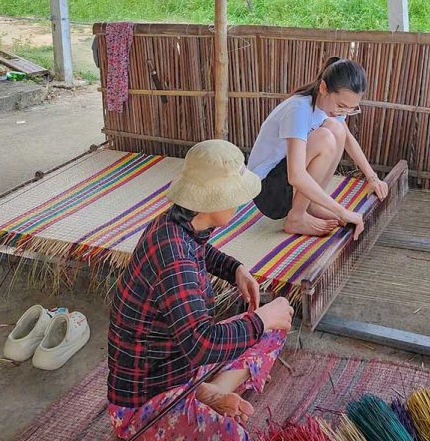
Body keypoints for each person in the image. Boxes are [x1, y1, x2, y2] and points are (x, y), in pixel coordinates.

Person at [107, 139, 294, 440]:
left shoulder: (174, 224)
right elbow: (201, 345)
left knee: (275, 325)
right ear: (214, 201)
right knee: (238, 437)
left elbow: (201, 250)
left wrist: (235, 269)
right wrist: (262, 318)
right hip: (145, 404)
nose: (238, 203)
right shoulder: (175, 260)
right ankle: (198, 394)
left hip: (177, 366)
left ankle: (209, 391)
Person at [247, 57, 389, 239]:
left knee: (337, 130)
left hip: (285, 186)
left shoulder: (327, 107)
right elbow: (295, 175)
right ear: (323, 88)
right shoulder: (299, 109)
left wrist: (372, 178)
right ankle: (296, 217)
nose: (343, 112)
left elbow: (348, 139)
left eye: (351, 109)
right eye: (341, 106)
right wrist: (342, 212)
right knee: (325, 138)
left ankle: (311, 205)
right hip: (267, 192)